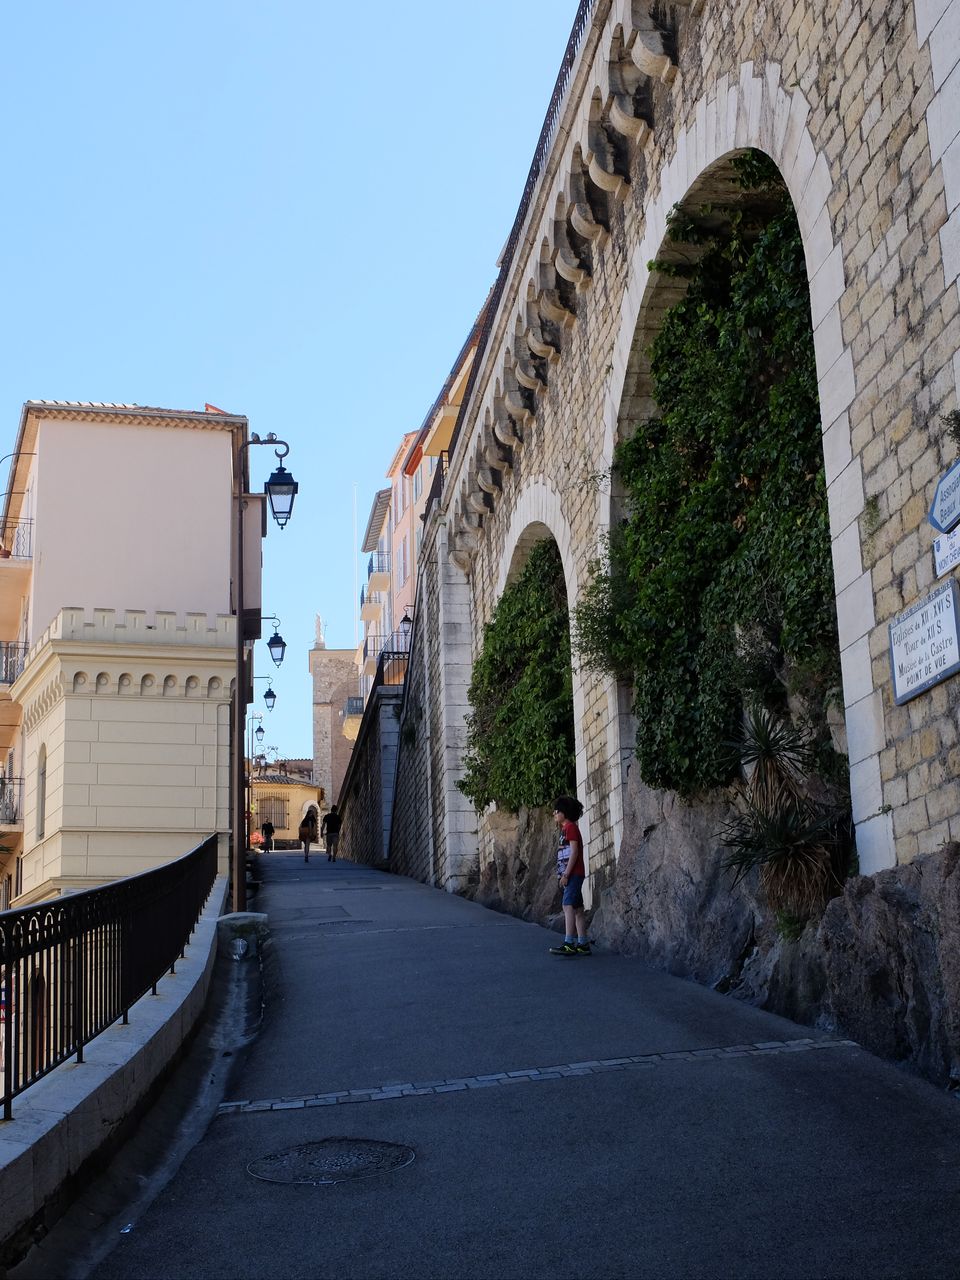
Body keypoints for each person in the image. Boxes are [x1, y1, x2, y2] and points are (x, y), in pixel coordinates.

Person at [549, 795, 590, 956]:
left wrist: (566, 873)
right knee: (578, 909)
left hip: (573, 873)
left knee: (567, 906)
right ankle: (583, 943)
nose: (554, 813)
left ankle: (569, 942)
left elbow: (574, 852)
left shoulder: (571, 828)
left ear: (564, 813)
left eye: (557, 811)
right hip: (573, 873)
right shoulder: (565, 829)